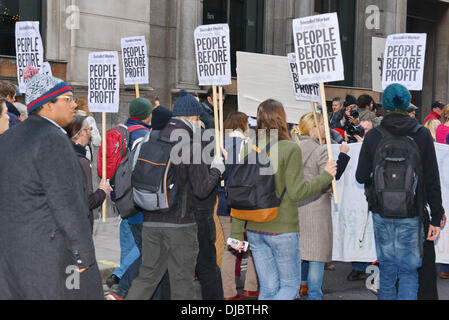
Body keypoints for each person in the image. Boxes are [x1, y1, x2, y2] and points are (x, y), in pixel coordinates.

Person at [0, 73, 103, 299]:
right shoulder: (53, 139)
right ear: (47, 104)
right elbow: (67, 204)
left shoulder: (8, 138)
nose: (74, 104)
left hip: (12, 254)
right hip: (48, 255)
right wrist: (83, 255)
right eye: (67, 99)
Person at [230, 99, 337, 300]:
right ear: (282, 118)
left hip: (254, 227)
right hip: (282, 228)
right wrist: (326, 176)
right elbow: (298, 192)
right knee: (289, 287)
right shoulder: (289, 148)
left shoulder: (248, 147)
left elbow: (239, 192)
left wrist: (237, 232)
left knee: (268, 289)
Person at [126, 89, 224, 300]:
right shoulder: (190, 146)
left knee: (147, 278)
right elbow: (202, 190)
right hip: (180, 225)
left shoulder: (150, 139)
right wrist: (216, 168)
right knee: (182, 282)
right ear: (193, 118)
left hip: (151, 221)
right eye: (198, 119)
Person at [356, 83, 444, 300]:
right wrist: (435, 217)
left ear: (384, 105)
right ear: (407, 104)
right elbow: (432, 179)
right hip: (412, 214)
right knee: (408, 273)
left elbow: (360, 176)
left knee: (387, 272)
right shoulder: (421, 134)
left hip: (381, 213)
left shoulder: (374, 135)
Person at [291, 112, 350, 300]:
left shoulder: (293, 147)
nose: (326, 128)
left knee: (302, 249)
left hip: (297, 206)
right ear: (313, 128)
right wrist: (343, 155)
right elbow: (329, 180)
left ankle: (302, 285)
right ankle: (315, 293)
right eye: (323, 124)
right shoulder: (320, 151)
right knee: (316, 254)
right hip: (316, 207)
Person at [105, 98, 153, 294]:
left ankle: (124, 277)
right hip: (136, 195)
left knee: (127, 239)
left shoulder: (121, 130)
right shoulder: (144, 135)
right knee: (142, 241)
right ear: (147, 115)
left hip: (119, 194)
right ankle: (121, 275)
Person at [217, 111, 259, 300]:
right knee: (253, 245)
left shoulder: (217, 146)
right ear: (243, 125)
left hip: (224, 204)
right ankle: (251, 285)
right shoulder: (248, 146)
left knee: (232, 246)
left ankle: (228, 291)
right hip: (245, 205)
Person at [66, 115, 112, 231]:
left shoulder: (63, 153)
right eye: (89, 129)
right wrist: (102, 191)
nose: (90, 133)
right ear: (82, 132)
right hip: (79, 225)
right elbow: (88, 201)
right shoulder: (82, 162)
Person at [75, 97, 101, 161]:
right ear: (85, 107)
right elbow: (97, 142)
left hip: (72, 151)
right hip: (85, 152)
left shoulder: (71, 117)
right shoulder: (89, 119)